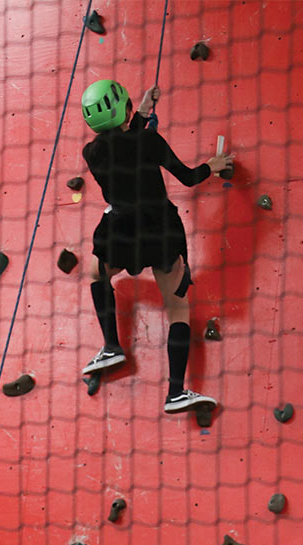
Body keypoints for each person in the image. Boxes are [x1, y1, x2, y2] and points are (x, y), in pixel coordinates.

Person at [79, 79, 234, 413]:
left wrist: (142, 112)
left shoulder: (92, 153)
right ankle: (176, 392)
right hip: (160, 231)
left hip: (120, 231)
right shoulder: (150, 141)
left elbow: (121, 145)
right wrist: (214, 165)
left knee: (96, 273)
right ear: (125, 111)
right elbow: (189, 177)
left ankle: (111, 346)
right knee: (178, 307)